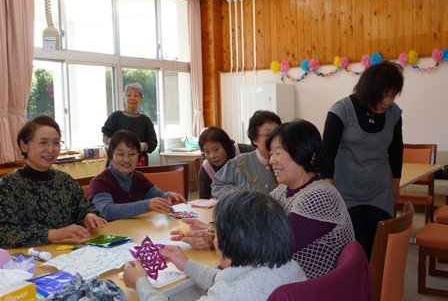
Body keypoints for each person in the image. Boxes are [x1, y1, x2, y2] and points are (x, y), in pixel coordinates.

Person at [123, 190, 307, 300]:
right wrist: (185, 263)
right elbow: (227, 279)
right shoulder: (289, 267)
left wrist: (142, 284)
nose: (213, 238)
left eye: (215, 233)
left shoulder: (234, 295)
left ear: (232, 244)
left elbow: (231, 290)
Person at [321, 60, 404, 260]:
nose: (388, 102)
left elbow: (396, 149)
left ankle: (376, 289)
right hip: (346, 189)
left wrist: (396, 184)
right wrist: (329, 191)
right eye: (384, 96)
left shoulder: (394, 114)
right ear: (369, 90)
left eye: (393, 95)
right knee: (351, 247)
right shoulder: (342, 110)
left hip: (379, 190)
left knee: (379, 247)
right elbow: (327, 154)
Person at [0, 115, 107, 249]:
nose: (50, 149)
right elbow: (4, 234)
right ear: (23, 145)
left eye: (56, 143)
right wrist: (54, 234)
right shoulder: (8, 186)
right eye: (43, 142)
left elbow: (84, 208)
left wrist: (88, 216)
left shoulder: (65, 180)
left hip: (70, 253)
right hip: (30, 260)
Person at [267, 120, 355, 279]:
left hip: (321, 289)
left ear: (302, 153)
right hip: (291, 279)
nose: (271, 160)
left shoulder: (319, 195)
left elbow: (276, 248)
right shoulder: (283, 191)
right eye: (271, 153)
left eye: (278, 153)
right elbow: (255, 222)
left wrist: (222, 241)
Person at [88, 130, 187, 221]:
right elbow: (106, 212)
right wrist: (146, 205)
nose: (126, 159)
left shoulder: (139, 177)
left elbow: (158, 196)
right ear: (110, 157)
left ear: (138, 156)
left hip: (136, 233)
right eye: (120, 154)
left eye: (132, 154)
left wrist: (168, 197)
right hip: (111, 236)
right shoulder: (100, 182)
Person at [211, 110, 281, 199]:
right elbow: (218, 185)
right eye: (267, 134)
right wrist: (239, 196)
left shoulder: (288, 162)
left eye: (277, 133)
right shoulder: (239, 163)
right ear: (254, 140)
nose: (274, 138)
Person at [102, 83, 157, 166]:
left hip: (138, 162)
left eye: (136, 95)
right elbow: (105, 137)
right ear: (125, 98)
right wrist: (116, 144)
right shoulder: (115, 116)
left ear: (141, 99)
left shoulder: (145, 120)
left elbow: (152, 143)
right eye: (129, 95)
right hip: (116, 160)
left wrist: (140, 146)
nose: (132, 98)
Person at [197, 126, 254, 199]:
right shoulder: (206, 169)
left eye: (216, 149)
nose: (212, 156)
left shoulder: (243, 151)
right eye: (207, 151)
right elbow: (203, 200)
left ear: (226, 146)